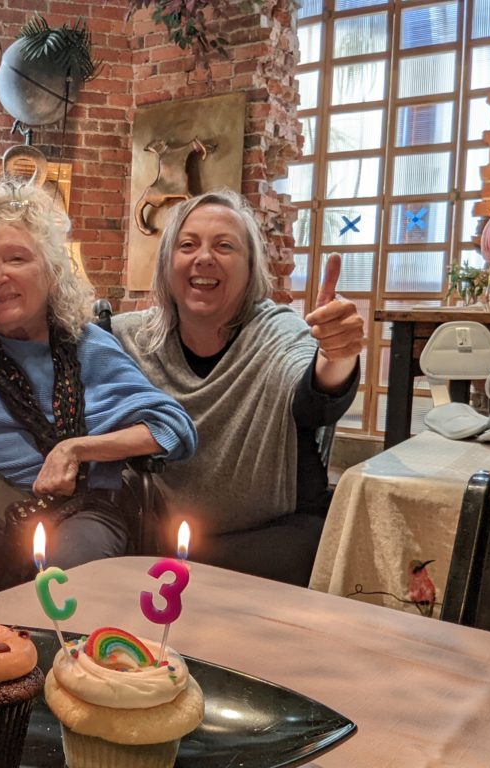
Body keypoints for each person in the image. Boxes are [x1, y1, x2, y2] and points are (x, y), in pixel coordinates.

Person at [0, 177, 197, 618]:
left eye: (16, 258)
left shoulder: (89, 348)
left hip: (80, 507)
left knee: (73, 591)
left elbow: (173, 428)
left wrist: (77, 448)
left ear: (50, 269)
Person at [112, 188, 364, 586]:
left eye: (225, 246)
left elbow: (315, 396)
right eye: (188, 244)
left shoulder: (277, 330)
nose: (205, 257)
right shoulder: (128, 337)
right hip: (160, 541)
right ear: (166, 264)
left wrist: (338, 355)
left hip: (270, 541)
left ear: (251, 269)